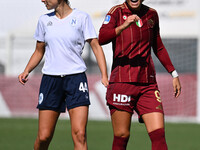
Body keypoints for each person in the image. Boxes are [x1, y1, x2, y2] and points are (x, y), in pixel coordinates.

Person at [18, 0, 108, 149]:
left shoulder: (82, 17)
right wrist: (27, 70)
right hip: (51, 80)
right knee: (43, 137)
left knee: (80, 134)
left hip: (76, 79)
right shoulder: (44, 20)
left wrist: (104, 75)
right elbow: (39, 50)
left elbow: (95, 47)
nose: (42, 0)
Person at [98, 0, 181, 150]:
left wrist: (173, 73)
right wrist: (123, 26)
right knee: (122, 135)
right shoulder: (116, 12)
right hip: (122, 83)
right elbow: (102, 38)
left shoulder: (152, 14)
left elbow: (158, 46)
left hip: (147, 85)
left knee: (159, 135)